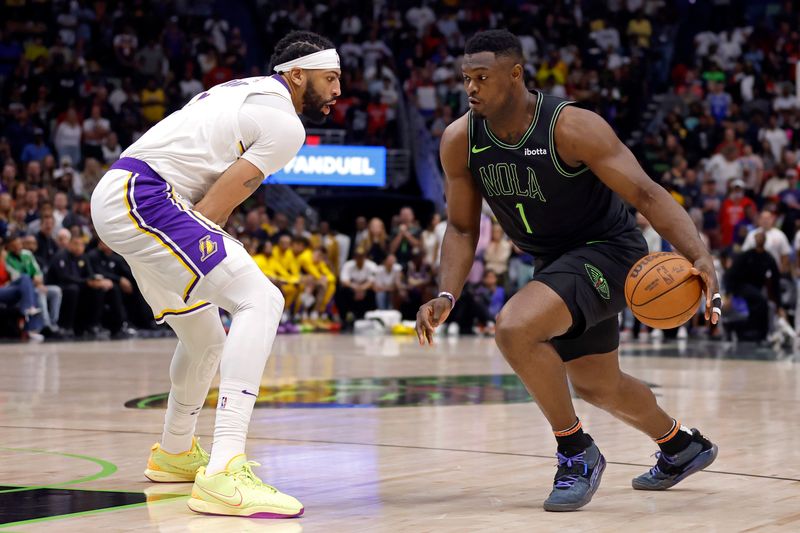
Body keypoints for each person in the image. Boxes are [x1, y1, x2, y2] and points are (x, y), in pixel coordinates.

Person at [416, 30, 721, 512]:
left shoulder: (571, 126)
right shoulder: (461, 140)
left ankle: (576, 452)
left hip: (610, 250)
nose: (471, 88)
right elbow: (459, 227)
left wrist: (699, 255)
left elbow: (644, 193)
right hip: (554, 261)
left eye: (482, 77)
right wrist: (447, 294)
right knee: (597, 384)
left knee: (516, 328)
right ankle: (681, 445)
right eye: (466, 79)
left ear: (515, 74)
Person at [90, 31, 341, 518]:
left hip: (126, 194)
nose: (337, 91)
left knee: (205, 337)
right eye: (329, 78)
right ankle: (226, 467)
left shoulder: (241, 89)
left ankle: (176, 453)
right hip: (148, 197)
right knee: (261, 299)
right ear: (296, 76)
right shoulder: (285, 124)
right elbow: (213, 208)